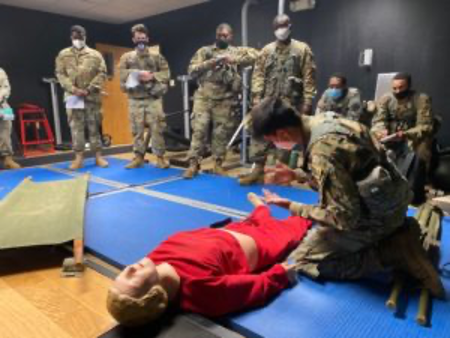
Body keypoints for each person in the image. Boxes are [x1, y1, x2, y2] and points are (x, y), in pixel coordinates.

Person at [250, 97, 445, 298]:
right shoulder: (325, 121)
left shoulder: (321, 151)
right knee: (317, 234)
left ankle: (390, 252)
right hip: (393, 201)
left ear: (282, 133)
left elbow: (343, 218)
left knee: (302, 259)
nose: (275, 145)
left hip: (377, 217)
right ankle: (396, 231)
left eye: (273, 141)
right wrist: (297, 174)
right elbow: (349, 167)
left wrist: (292, 206)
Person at [107, 192, 312, 326]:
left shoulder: (152, 261)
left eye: (122, 273)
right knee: (297, 225)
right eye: (131, 278)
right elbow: (250, 288)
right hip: (261, 244)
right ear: (152, 294)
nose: (130, 268)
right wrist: (280, 275)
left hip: (225, 233)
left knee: (254, 221)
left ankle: (261, 211)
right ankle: (264, 213)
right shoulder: (201, 292)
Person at [239, 14, 316, 185]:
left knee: (285, 138)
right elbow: (258, 75)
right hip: (267, 102)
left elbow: (309, 77)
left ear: (290, 25)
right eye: (277, 27)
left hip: (290, 103)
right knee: (260, 135)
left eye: (284, 25)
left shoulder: (302, 49)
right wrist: (257, 97)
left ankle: (282, 174)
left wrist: (308, 102)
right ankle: (258, 170)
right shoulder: (266, 51)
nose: (281, 30)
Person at [183, 23, 258, 178]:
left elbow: (257, 55)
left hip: (225, 98)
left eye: (226, 35)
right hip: (204, 97)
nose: (223, 38)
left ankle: (218, 164)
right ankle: (193, 164)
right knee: (199, 130)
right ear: (216, 36)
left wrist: (233, 59)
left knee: (221, 133)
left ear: (231, 36)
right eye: (220, 35)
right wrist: (212, 62)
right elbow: (192, 70)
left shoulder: (235, 51)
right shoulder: (205, 51)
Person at [371, 73, 436, 204]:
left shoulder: (420, 99)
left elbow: (425, 126)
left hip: (412, 137)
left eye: (401, 87)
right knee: (372, 143)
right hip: (391, 137)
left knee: (421, 149)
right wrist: (381, 131)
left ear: (409, 86)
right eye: (394, 88)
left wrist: (405, 134)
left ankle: (413, 194)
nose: (397, 91)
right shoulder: (386, 99)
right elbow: (378, 120)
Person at [55, 25, 109, 170]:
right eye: (75, 37)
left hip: (92, 96)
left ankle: (98, 156)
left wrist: (89, 89)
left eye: (80, 37)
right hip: (73, 96)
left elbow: (102, 73)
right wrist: (73, 89)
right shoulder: (63, 54)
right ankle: (79, 158)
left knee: (94, 126)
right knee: (76, 127)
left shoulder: (95, 54)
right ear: (71, 37)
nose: (77, 39)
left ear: (85, 37)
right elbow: (60, 74)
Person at [119, 24, 171, 169]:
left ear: (147, 38)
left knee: (157, 129)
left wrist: (152, 76)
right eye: (137, 38)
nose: (140, 40)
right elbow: (121, 74)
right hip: (135, 99)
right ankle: (138, 158)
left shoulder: (156, 56)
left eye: (143, 38)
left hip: (153, 99)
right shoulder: (126, 57)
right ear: (133, 39)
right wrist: (136, 74)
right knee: (137, 130)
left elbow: (166, 74)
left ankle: (160, 158)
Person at [0, 68, 20, 170]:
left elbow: (6, 87)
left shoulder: (1, 71)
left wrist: (1, 96)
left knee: (7, 129)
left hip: (3, 104)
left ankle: (8, 159)